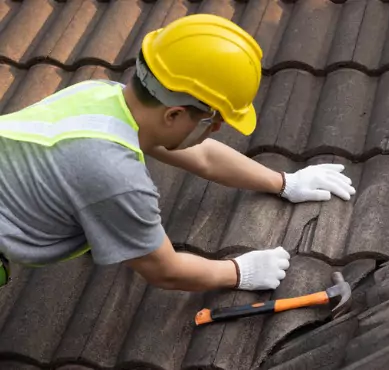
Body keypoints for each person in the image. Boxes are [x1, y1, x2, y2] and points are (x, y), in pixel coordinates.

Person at [0, 14, 355, 292]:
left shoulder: (101, 94)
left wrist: (284, 182)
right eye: (212, 119)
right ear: (173, 114)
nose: (215, 129)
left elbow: (203, 157)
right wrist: (237, 271)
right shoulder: (115, 178)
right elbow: (163, 270)